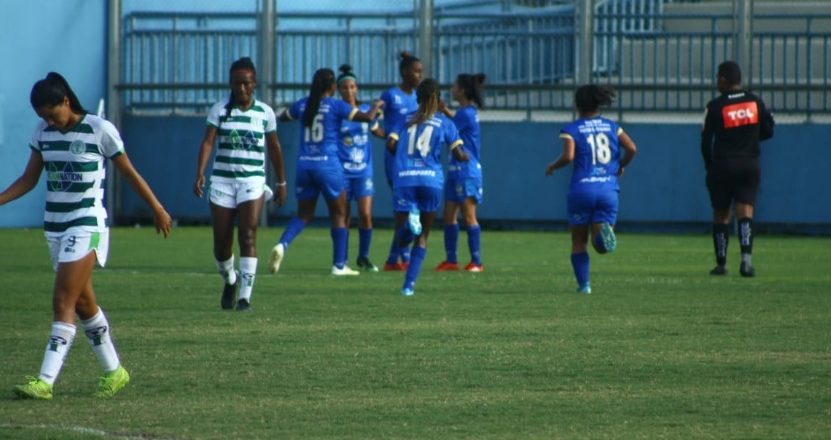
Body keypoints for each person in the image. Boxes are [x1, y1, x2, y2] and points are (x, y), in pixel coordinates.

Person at [1, 72, 172, 400]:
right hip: (55, 226)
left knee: (62, 299)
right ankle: (114, 371)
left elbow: (129, 173)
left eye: (52, 114)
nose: (49, 122)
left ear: (66, 101)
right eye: (43, 118)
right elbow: (28, 179)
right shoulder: (43, 133)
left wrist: (157, 207)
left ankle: (45, 380)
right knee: (82, 303)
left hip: (87, 224)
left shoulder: (99, 129)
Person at [267, 68, 382, 276]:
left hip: (304, 165)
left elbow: (281, 117)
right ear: (332, 87)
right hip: (328, 166)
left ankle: (282, 244)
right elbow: (366, 118)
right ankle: (339, 265)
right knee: (339, 214)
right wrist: (375, 106)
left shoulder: (303, 104)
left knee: (303, 214)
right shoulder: (336, 106)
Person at [194, 57, 287, 312]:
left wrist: (281, 182)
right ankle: (230, 279)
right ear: (231, 84)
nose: (242, 89)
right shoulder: (220, 110)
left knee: (248, 232)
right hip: (223, 181)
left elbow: (275, 148)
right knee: (222, 243)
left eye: (246, 83)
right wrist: (200, 172)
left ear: (254, 83)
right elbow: (208, 143)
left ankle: (245, 296)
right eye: (237, 84)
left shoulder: (264, 113)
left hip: (252, 180)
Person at [545, 85, 637, 294]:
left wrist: (552, 166)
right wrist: (620, 165)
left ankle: (584, 285)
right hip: (608, 189)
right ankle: (604, 235)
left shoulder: (572, 129)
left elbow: (568, 157)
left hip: (582, 189)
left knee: (579, 241)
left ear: (577, 105)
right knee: (600, 246)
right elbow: (632, 148)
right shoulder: (612, 126)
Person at [390, 78, 469, 296]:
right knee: (423, 236)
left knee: (401, 235)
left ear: (417, 98)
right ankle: (408, 286)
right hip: (430, 181)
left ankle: (408, 226)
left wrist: (400, 153)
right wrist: (464, 157)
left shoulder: (404, 119)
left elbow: (390, 144)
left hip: (405, 178)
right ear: (438, 99)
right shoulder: (445, 123)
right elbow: (459, 153)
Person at [701, 61, 774, 277]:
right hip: (749, 163)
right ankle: (746, 262)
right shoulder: (754, 102)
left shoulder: (715, 106)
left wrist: (709, 166)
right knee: (746, 212)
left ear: (723, 79)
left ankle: (722, 264)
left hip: (723, 164)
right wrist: (750, 139)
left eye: (717, 77)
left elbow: (705, 141)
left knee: (721, 215)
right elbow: (769, 131)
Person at [336, 64, 385, 272]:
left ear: (357, 89)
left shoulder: (366, 111)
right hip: (343, 171)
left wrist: (396, 137)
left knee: (365, 214)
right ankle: (342, 259)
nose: (349, 91)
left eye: (352, 87)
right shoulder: (337, 112)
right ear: (339, 90)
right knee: (344, 216)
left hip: (363, 171)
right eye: (345, 87)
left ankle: (363, 257)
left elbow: (378, 132)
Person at [436, 73, 487, 273]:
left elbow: (449, 129)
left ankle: (476, 261)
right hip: (455, 170)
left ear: (463, 90)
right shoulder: (464, 113)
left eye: (455, 86)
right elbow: (455, 122)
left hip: (467, 170)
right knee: (449, 215)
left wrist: (434, 114)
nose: (452, 88)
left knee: (468, 215)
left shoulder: (467, 113)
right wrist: (445, 110)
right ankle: (451, 260)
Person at [379, 51, 422, 271]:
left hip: (413, 159)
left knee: (411, 209)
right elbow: (373, 113)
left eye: (421, 72)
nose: (419, 75)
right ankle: (399, 257)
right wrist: (379, 132)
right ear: (405, 72)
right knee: (404, 209)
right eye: (416, 71)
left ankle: (396, 256)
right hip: (395, 160)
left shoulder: (418, 97)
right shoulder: (391, 95)